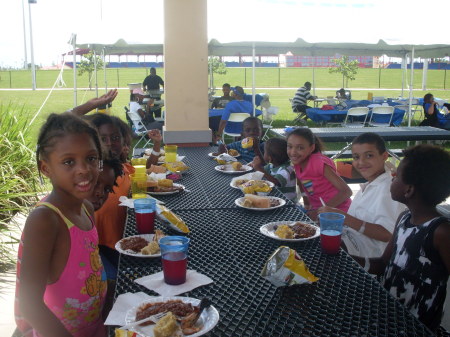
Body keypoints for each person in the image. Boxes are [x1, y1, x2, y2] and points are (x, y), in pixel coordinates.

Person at [15, 113, 107, 337]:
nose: (84, 169)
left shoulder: (86, 208)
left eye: (91, 158)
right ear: (46, 168)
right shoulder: (45, 220)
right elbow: (29, 304)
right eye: (68, 162)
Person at [359, 144, 450, 331]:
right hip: (386, 314)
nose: (392, 177)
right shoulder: (404, 218)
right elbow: (383, 264)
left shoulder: (440, 232)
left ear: (409, 190)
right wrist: (345, 256)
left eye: (396, 176)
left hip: (417, 327)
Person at [318, 133, 406, 258]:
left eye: (369, 155)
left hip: (367, 259)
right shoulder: (370, 185)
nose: (361, 162)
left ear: (384, 156)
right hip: (348, 244)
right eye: (356, 157)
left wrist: (343, 217)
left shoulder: (389, 189)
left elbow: (387, 234)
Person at [287, 128, 352, 220]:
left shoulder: (318, 163)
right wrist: (306, 202)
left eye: (300, 148)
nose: (293, 152)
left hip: (339, 213)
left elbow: (346, 191)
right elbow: (301, 180)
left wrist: (318, 212)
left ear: (311, 148)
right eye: (290, 146)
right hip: (318, 212)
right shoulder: (298, 163)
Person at [252, 137, 297, 202]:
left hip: (288, 202)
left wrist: (258, 168)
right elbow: (263, 170)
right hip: (277, 197)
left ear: (269, 158)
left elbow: (275, 182)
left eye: (264, 152)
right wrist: (254, 166)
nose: (263, 153)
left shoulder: (286, 170)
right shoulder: (272, 165)